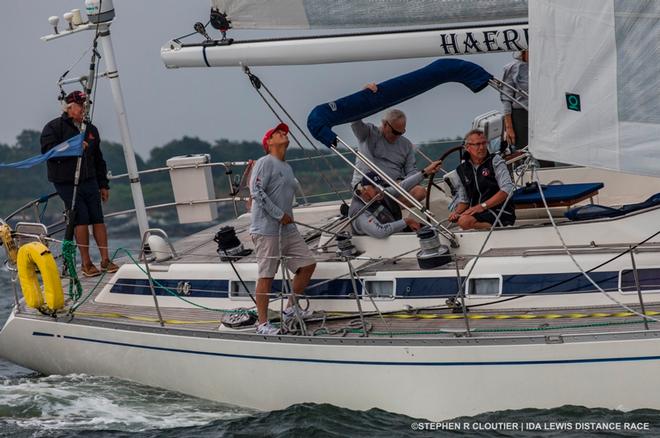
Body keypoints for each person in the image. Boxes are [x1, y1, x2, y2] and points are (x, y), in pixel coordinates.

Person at [40, 91, 118, 277]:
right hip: (66, 182)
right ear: (69, 107)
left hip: (89, 179)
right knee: (80, 217)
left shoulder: (91, 130)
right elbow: (48, 151)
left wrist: (103, 184)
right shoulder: (53, 128)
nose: (84, 109)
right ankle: (86, 263)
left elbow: (98, 159)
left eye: (86, 105)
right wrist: (72, 146)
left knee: (97, 217)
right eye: (81, 105)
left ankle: (105, 260)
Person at [249, 122, 317, 335]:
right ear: (268, 143)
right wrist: (279, 215)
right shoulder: (264, 162)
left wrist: (287, 216)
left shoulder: (287, 168)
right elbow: (256, 192)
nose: (282, 133)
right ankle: (262, 324)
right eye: (277, 132)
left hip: (288, 229)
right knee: (267, 275)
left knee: (307, 264)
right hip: (266, 229)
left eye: (284, 131)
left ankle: (290, 309)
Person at [350, 83, 427, 203]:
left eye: (401, 132)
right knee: (370, 192)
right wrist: (363, 95)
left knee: (420, 192)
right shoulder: (367, 133)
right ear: (385, 124)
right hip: (368, 185)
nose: (398, 136)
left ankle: (388, 208)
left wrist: (403, 182)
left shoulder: (406, 145)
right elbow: (354, 119)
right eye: (395, 132)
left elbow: (411, 170)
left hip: (393, 187)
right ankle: (384, 207)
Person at [349, 158, 442, 238]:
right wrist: (406, 221)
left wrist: (426, 172)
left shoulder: (380, 194)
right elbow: (379, 232)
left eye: (380, 186)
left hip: (395, 235)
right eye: (375, 188)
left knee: (433, 232)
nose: (380, 190)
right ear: (364, 189)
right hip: (380, 246)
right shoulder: (358, 211)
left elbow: (402, 186)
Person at [448, 129, 516, 230]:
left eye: (484, 143)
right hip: (478, 213)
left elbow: (507, 189)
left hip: (501, 210)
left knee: (464, 221)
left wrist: (482, 206)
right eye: (477, 144)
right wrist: (456, 213)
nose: (482, 147)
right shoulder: (461, 170)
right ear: (468, 147)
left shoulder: (495, 161)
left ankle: (500, 228)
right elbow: (464, 200)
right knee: (461, 220)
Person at [501, 50, 528, 151]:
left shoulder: (545, 67)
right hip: (520, 115)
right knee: (522, 152)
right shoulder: (512, 68)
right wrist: (509, 127)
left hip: (542, 114)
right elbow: (506, 97)